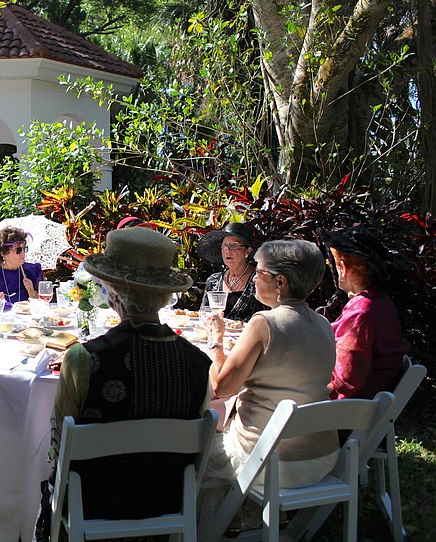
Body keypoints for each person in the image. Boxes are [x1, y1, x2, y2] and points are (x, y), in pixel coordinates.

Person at [46, 227, 210, 520]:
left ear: (114, 295)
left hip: (93, 504)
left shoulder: (83, 359)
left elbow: (60, 447)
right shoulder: (197, 362)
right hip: (169, 502)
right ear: (163, 295)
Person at [202, 239, 338, 511]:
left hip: (270, 462)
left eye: (260, 272)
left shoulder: (264, 322)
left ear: (281, 283)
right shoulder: (324, 324)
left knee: (200, 441)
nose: (253, 278)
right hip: (323, 458)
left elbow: (222, 385)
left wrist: (216, 339)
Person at [321, 227, 409, 400]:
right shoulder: (379, 301)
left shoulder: (361, 315)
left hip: (348, 413)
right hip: (367, 405)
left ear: (344, 269)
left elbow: (344, 384)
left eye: (333, 264)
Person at [197, 222, 269, 321]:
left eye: (234, 245)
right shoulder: (214, 280)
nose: (228, 250)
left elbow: (268, 318)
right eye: (224, 245)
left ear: (248, 251)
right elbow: (204, 314)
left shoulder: (259, 279)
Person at [0, 226, 43, 305]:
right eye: (18, 250)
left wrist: (31, 291)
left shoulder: (33, 270)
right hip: (2, 316)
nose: (22, 253)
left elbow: (42, 304)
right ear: (3, 253)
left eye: (24, 248)